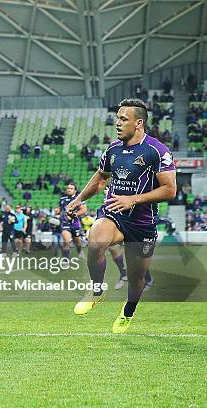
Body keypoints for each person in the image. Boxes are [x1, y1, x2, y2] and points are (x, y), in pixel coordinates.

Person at [67, 98, 176, 333]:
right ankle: (97, 290)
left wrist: (133, 199)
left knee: (137, 279)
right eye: (117, 118)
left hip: (142, 222)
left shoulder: (157, 151)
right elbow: (100, 179)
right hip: (114, 213)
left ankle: (128, 312)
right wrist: (77, 200)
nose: (117, 123)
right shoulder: (113, 149)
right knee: (96, 240)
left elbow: (170, 189)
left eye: (123, 119)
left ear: (138, 123)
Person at [59, 184, 87, 259]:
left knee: (78, 242)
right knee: (66, 241)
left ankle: (80, 251)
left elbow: (84, 209)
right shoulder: (62, 199)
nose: (69, 190)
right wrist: (57, 215)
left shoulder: (78, 199)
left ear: (75, 190)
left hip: (75, 223)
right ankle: (65, 260)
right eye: (68, 188)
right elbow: (61, 211)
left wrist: (73, 216)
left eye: (71, 188)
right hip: (65, 223)